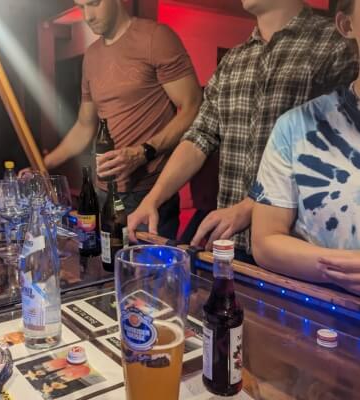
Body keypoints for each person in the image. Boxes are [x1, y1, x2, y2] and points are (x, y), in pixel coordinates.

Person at [128, 0, 358, 258]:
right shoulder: (234, 59)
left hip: (295, 247)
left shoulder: (336, 45)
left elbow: (337, 152)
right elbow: (200, 136)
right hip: (230, 238)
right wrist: (153, 198)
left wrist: (251, 207)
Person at [21, 0, 202, 239]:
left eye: (94, 3)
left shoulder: (155, 37)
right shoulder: (91, 56)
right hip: (104, 192)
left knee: (145, 264)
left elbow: (193, 107)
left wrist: (142, 152)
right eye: (81, 7)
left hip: (149, 193)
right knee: (104, 261)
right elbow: (84, 126)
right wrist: (42, 166)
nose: (87, 15)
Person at [251, 0, 360, 295]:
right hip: (328, 313)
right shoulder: (297, 126)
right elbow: (265, 242)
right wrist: (343, 267)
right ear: (347, 24)